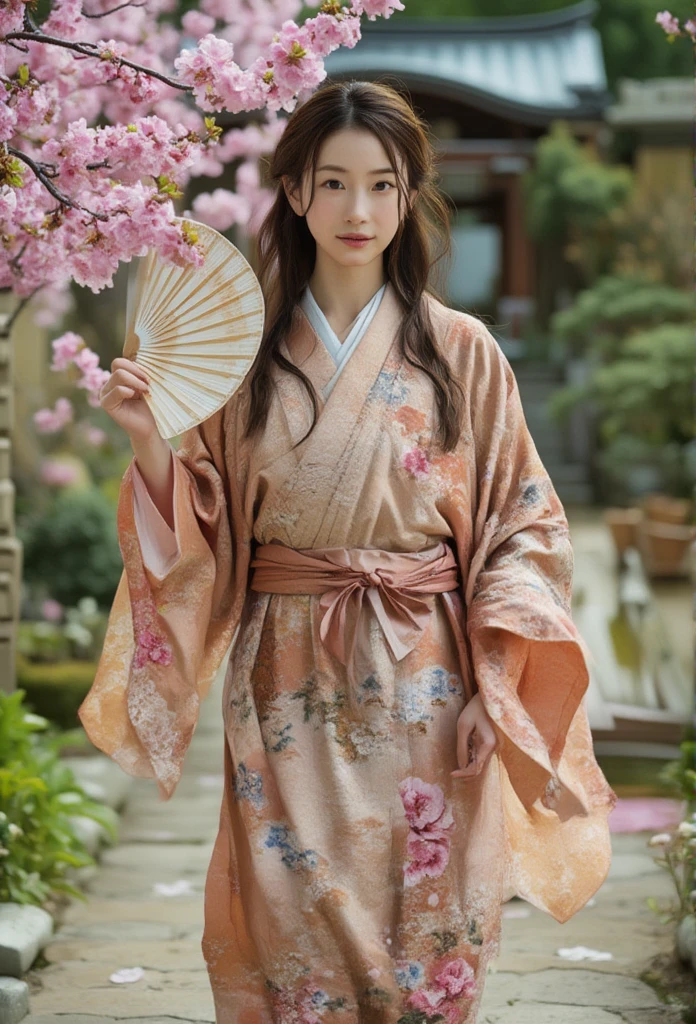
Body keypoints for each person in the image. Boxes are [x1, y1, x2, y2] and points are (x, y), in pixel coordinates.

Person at [80, 79, 617, 1024]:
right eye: (333, 183)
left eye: (381, 184)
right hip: (285, 675)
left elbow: (524, 523)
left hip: (432, 679)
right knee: (295, 917)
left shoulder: (465, 352)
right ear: (293, 192)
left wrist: (499, 682)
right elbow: (200, 530)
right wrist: (147, 442)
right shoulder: (246, 361)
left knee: (428, 922)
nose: (357, 209)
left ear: (410, 195)